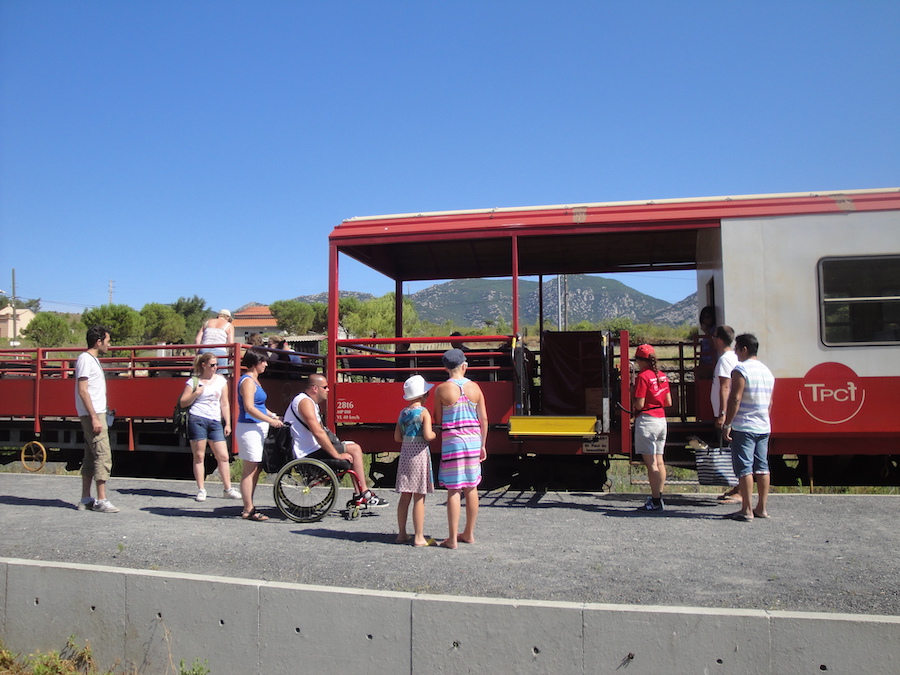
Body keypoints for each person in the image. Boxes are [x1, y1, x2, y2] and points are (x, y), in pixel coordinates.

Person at [283, 373, 388, 507]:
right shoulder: (304, 402)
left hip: (311, 448)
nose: (328, 390)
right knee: (355, 449)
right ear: (315, 388)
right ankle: (364, 494)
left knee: (352, 446)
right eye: (325, 387)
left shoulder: (309, 402)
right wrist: (336, 454)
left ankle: (359, 494)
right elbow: (318, 432)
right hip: (305, 452)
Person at [434, 348, 488, 549]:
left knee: (454, 489)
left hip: (453, 442)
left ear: (445, 368)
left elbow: (438, 419)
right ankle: (469, 533)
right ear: (464, 366)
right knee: (471, 487)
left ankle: (452, 539)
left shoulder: (441, 390)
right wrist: (483, 444)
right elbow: (483, 418)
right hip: (474, 441)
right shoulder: (475, 388)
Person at [723, 333, 776, 522]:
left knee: (744, 467)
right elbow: (769, 403)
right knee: (762, 466)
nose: (735, 352)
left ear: (744, 349)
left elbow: (735, 398)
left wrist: (727, 422)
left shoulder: (741, 369)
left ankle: (746, 509)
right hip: (763, 425)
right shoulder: (767, 371)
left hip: (745, 425)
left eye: (736, 348)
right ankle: (761, 507)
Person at [179, 352, 241, 502]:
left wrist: (227, 422)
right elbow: (183, 402)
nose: (215, 368)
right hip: (197, 418)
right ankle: (201, 489)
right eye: (212, 365)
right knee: (199, 456)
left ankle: (228, 489)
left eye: (216, 365)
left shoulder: (221, 381)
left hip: (215, 420)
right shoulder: (194, 382)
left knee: (223, 456)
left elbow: (224, 403)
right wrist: (196, 393)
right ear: (204, 365)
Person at [236, 348, 283, 521]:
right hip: (249, 428)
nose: (266, 364)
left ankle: (249, 505)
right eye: (263, 361)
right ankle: (248, 509)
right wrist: (271, 421)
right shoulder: (247, 381)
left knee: (256, 468)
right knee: (249, 470)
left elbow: (260, 405)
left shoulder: (255, 380)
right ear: (255, 363)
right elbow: (249, 407)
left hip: (258, 427)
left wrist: (273, 415)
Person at [75, 325, 118, 512]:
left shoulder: (92, 360)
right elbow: (83, 390)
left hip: (96, 412)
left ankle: (85, 498)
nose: (109, 344)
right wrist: (94, 417)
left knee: (91, 456)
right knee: (103, 455)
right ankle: (101, 500)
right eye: (107, 340)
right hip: (93, 414)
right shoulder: (85, 359)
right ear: (98, 341)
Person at [393, 375, 436, 546]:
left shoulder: (403, 413)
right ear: (423, 395)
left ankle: (402, 533)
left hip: (405, 455)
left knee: (405, 496)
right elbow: (427, 435)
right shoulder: (424, 412)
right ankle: (419, 537)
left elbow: (397, 437)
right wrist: (435, 434)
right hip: (419, 455)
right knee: (419, 496)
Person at [632, 344, 672, 512]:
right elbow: (668, 402)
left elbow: (639, 404)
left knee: (651, 464)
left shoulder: (643, 377)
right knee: (660, 461)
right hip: (661, 419)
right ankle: (659, 495)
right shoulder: (662, 376)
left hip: (647, 421)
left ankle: (655, 501)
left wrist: (632, 398)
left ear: (641, 361)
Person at [711, 325, 740, 503]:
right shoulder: (734, 358)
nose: (712, 340)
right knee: (735, 451)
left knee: (733, 451)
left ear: (720, 339)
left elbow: (725, 386)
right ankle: (738, 487)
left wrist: (722, 414)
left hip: (727, 413)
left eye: (714, 337)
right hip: (732, 413)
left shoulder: (724, 360)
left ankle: (740, 490)